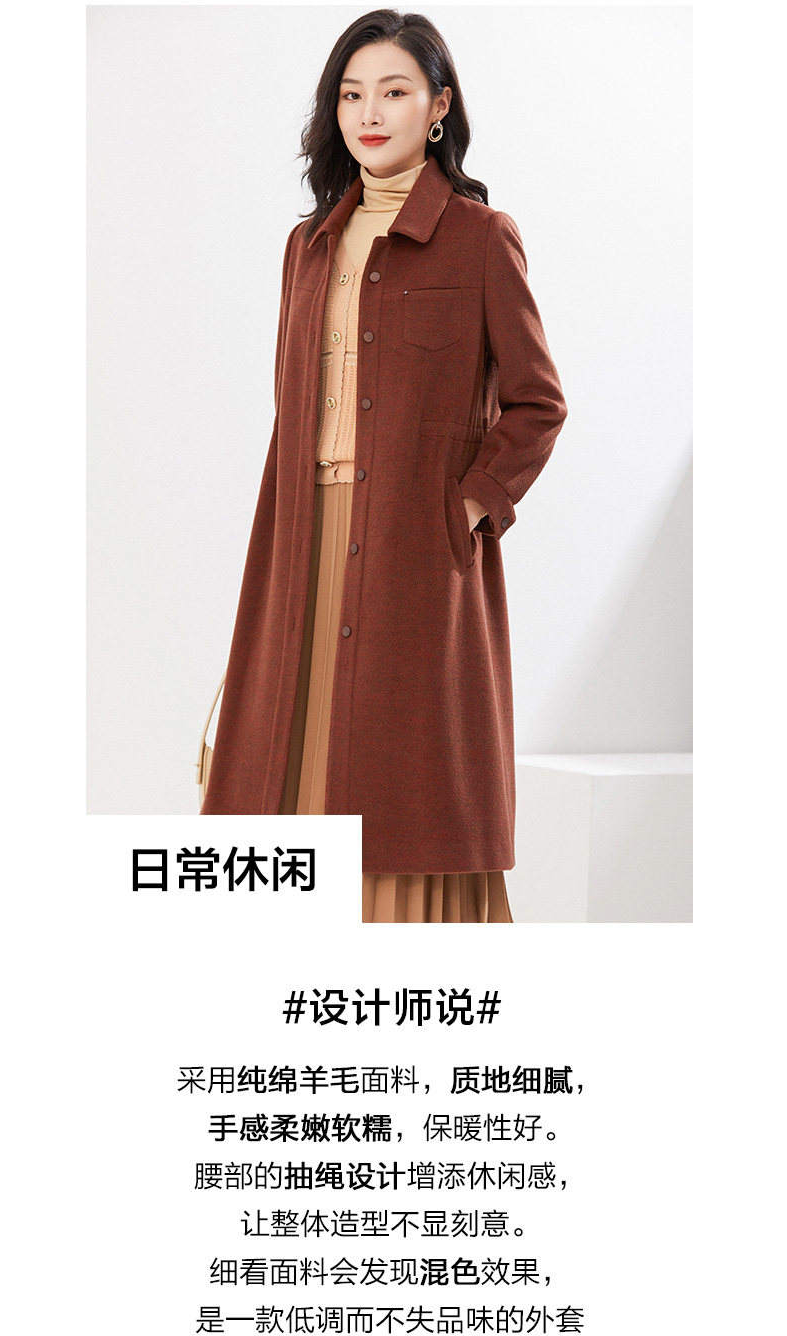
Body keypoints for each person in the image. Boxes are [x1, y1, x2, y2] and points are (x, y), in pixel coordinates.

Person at [201, 9, 568, 924]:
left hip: (416, 546)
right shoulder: (308, 246)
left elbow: (537, 403)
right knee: (288, 750)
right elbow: (292, 412)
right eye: (352, 94)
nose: (369, 113)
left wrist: (470, 507)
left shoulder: (481, 238)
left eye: (394, 92)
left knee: (407, 776)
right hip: (302, 535)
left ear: (438, 108)